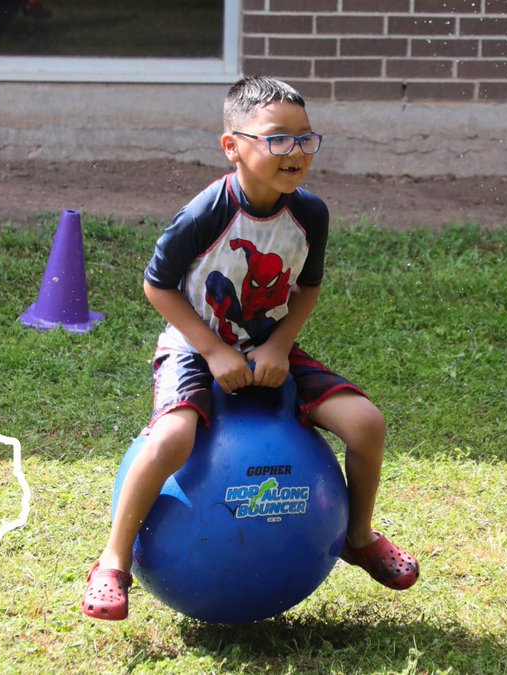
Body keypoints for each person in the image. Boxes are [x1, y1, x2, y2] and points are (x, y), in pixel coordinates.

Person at [81, 76, 419, 621]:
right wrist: (214, 351)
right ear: (232, 145)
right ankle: (113, 562)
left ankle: (358, 537)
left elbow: (307, 288)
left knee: (367, 423)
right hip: (194, 344)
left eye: (305, 139)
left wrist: (280, 345)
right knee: (171, 439)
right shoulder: (206, 212)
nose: (295, 152)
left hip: (268, 345)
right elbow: (157, 286)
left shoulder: (310, 214)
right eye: (277, 139)